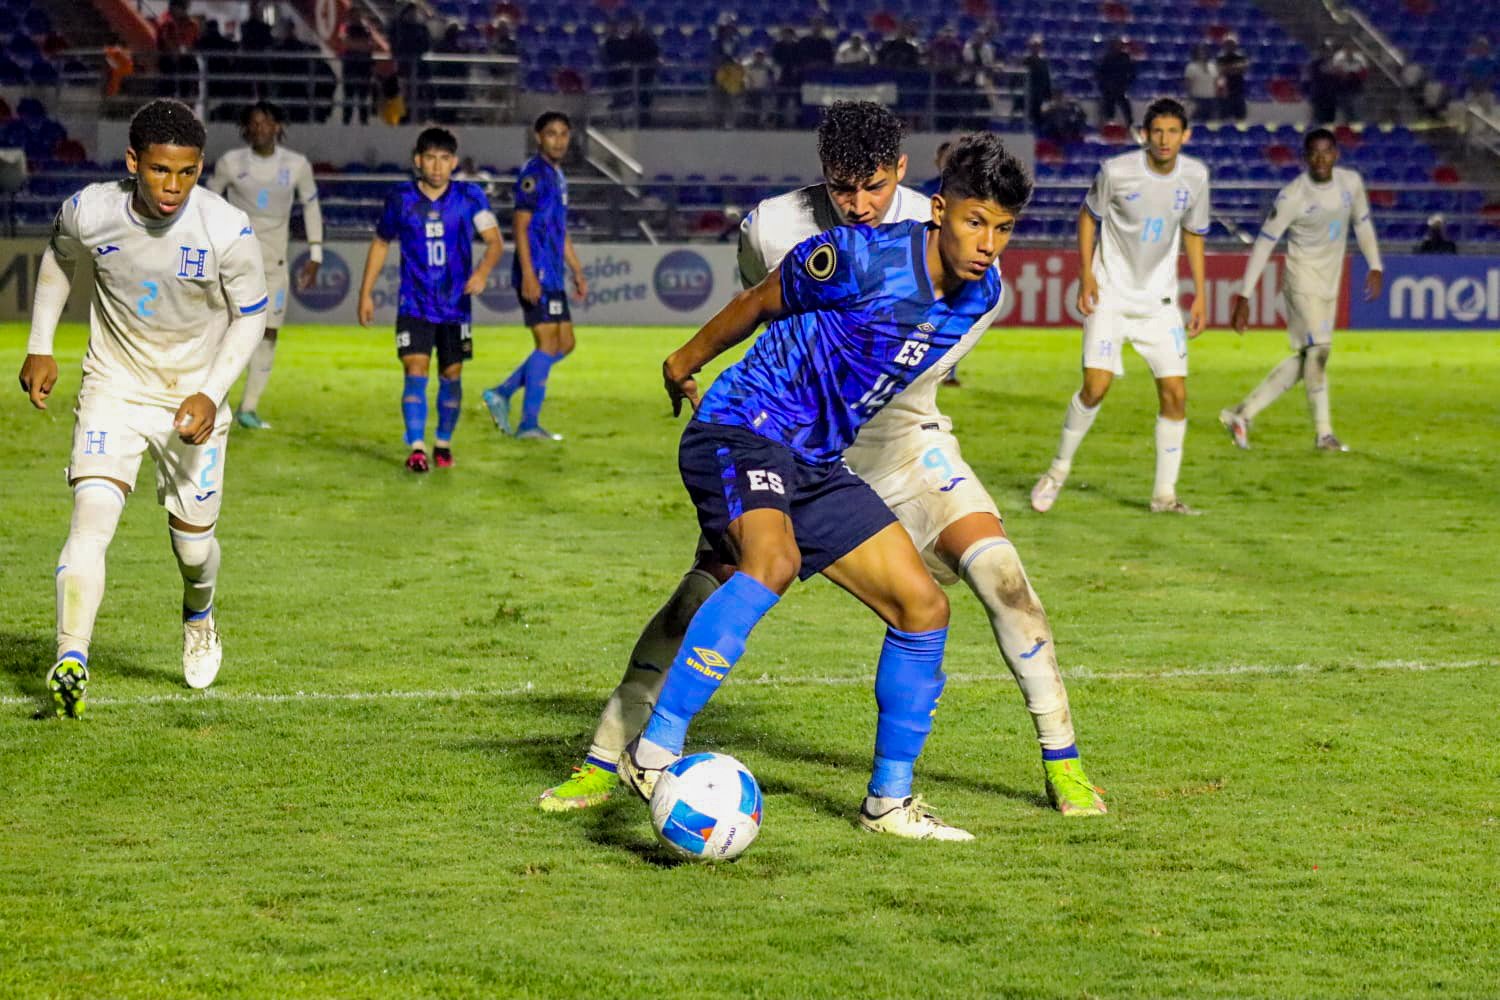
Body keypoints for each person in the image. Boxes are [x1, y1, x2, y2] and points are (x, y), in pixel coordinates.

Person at [539, 106, 1103, 824]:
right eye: (974, 223)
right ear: (939, 210)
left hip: (820, 459)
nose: (988, 244)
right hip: (744, 427)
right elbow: (760, 300)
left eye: (1003, 228)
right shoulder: (856, 256)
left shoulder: (983, 296)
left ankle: (888, 804)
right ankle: (647, 756)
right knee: (761, 565)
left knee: (923, 606)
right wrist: (684, 359)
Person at [17, 99, 269, 717]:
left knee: (192, 548)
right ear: (133, 161)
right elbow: (58, 257)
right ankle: (71, 658)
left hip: (192, 399)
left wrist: (211, 391)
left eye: (186, 173)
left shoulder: (226, 229)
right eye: (159, 171)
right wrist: (40, 346)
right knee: (91, 516)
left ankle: (200, 613)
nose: (173, 187)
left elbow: (252, 316)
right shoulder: (89, 210)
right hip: (114, 389)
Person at [1031, 98, 1211, 516]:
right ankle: (1057, 471)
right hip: (1111, 293)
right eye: (1157, 131)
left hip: (1160, 301)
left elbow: (1194, 232)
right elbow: (1088, 215)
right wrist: (1087, 274)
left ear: (1186, 136)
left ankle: (1164, 495)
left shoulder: (1197, 176)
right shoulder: (1117, 171)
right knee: (1095, 386)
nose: (1164, 140)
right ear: (1144, 134)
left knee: (1176, 394)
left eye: (1173, 132)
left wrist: (1200, 293)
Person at [1220, 129, 1382, 452]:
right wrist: (1244, 295)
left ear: (1336, 154)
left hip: (1328, 283)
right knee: (1319, 352)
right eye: (1314, 153)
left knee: (1309, 355)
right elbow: (1265, 243)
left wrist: (1375, 265)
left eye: (1327, 152)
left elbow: (1362, 225)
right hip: (1301, 280)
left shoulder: (1351, 184)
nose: (1321, 159)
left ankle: (1242, 414)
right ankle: (1324, 435)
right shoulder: (1293, 195)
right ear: (1305, 158)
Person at [357, 128, 503, 471]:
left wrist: (481, 272)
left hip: (456, 305)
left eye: (444, 159)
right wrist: (365, 293)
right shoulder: (400, 199)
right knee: (415, 368)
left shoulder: (470, 196)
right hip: (414, 303)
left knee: (451, 375)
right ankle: (417, 448)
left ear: (453, 162)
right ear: (417, 161)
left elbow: (494, 241)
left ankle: (442, 443)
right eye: (430, 158)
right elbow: (381, 242)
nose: (437, 166)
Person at [205, 101, 322, 431]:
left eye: (265, 123)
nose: (259, 128)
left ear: (277, 127)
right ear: (246, 129)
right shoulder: (231, 162)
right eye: (253, 123)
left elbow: (311, 209)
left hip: (275, 265)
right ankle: (213, 399)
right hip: (235, 262)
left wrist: (316, 255)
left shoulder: (297, 164)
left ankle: (249, 408)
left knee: (268, 333)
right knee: (227, 329)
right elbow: (208, 202)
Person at [482, 113, 586, 441]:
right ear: (538, 137)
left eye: (563, 134)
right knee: (548, 344)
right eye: (551, 134)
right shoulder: (533, 175)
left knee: (565, 343)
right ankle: (529, 424)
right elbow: (521, 225)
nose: (558, 140)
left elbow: (560, 229)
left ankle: (501, 392)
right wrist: (528, 273)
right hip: (537, 271)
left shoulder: (558, 176)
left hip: (553, 273)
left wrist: (577, 269)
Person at [340, 10, 376, 125]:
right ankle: (346, 122)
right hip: (350, 66)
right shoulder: (345, 26)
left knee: (363, 97)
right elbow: (344, 41)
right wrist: (360, 45)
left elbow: (371, 45)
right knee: (348, 96)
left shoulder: (367, 28)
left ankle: (364, 122)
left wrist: (354, 45)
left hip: (364, 67)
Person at [1097, 37, 1135, 126]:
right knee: (1109, 103)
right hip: (1109, 88)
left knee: (1125, 105)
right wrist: (1105, 85)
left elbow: (1132, 72)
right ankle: (1110, 122)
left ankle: (1130, 123)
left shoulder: (1125, 58)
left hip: (1121, 86)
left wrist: (1126, 83)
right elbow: (1101, 73)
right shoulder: (1107, 58)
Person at [1023, 35, 1053, 133]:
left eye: (1037, 45)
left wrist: (1048, 96)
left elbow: (1047, 79)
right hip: (1028, 96)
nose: (1035, 48)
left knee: (1040, 121)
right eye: (1033, 45)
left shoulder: (1044, 61)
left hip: (1040, 96)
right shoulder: (1025, 61)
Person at [1184, 44, 1218, 123]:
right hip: (1197, 98)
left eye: (1204, 51)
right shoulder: (1191, 67)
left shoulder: (1212, 66)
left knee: (1210, 123)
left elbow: (1216, 82)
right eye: (1200, 51)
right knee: (1197, 122)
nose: (1202, 53)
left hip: (1211, 99)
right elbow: (1188, 84)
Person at [1218, 38, 1249, 121]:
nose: (1230, 46)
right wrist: (1235, 68)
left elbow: (1244, 67)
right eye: (1228, 44)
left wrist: (1229, 68)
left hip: (1239, 91)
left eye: (1232, 44)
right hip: (1226, 93)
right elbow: (1220, 70)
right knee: (1224, 119)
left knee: (1241, 120)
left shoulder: (1240, 56)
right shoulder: (1221, 56)